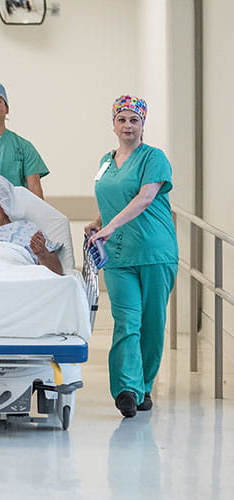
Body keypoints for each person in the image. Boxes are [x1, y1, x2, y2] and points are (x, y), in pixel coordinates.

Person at [86, 95, 178, 418]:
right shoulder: (105, 161)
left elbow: (144, 198)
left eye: (134, 120)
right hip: (117, 255)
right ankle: (126, 389)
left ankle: (144, 385)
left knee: (152, 322)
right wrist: (98, 222)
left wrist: (109, 227)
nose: (128, 125)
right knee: (126, 320)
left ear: (142, 125)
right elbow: (112, 197)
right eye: (122, 119)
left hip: (155, 251)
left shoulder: (154, 157)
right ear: (113, 124)